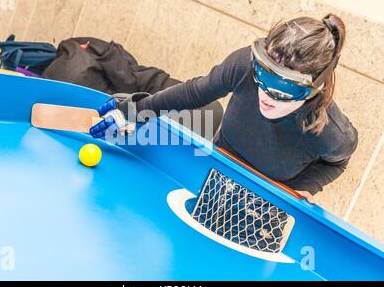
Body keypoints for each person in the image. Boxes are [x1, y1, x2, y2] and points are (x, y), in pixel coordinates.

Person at [90, 13, 358, 204]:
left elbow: (338, 163)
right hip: (214, 172)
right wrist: (134, 111)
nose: (266, 95)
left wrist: (300, 189)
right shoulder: (243, 65)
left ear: (316, 87)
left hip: (264, 205)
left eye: (284, 90)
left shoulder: (333, 134)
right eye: (264, 76)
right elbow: (195, 92)